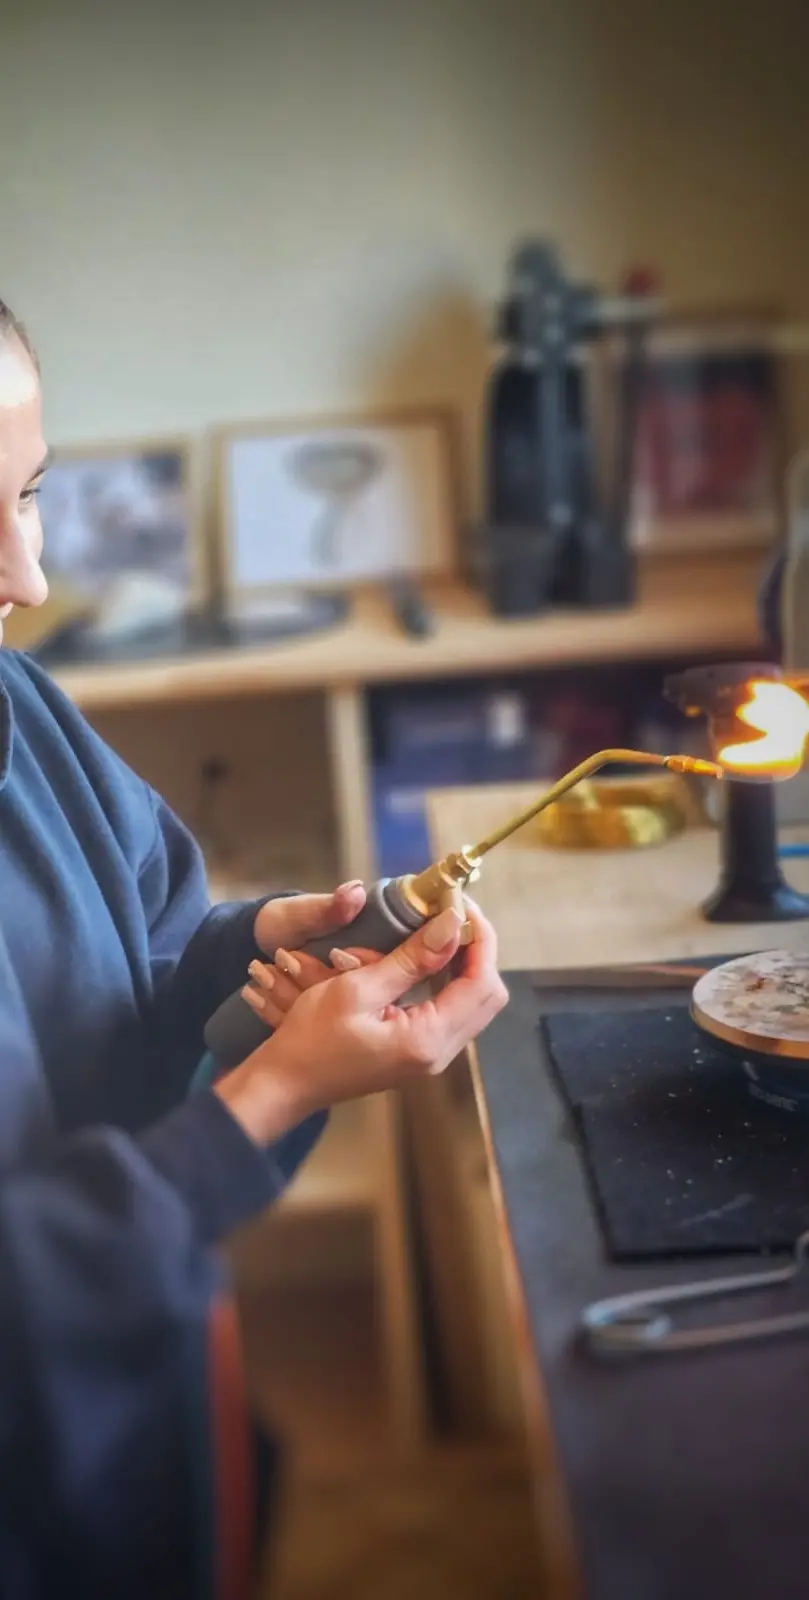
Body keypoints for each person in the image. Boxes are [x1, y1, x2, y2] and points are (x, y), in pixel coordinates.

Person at [0, 296, 509, 1599]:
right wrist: (278, 1089)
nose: (29, 582)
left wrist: (250, 957)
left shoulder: (17, 703)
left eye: (30, 495)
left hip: (134, 1425)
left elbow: (126, 965)